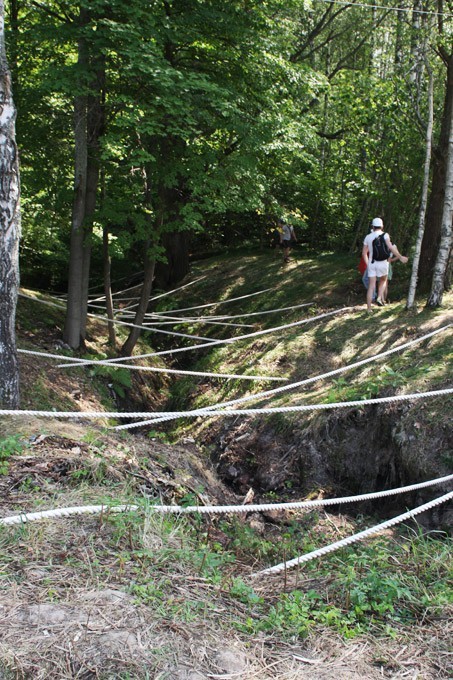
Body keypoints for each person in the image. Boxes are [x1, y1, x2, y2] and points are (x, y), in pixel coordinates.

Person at [362, 217, 408, 312]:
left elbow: (364, 253)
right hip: (383, 263)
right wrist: (400, 257)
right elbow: (391, 248)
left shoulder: (368, 237)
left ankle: (369, 309)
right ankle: (379, 297)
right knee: (383, 281)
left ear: (373, 226)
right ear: (382, 226)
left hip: (372, 263)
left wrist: (368, 264)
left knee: (371, 286)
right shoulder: (385, 235)